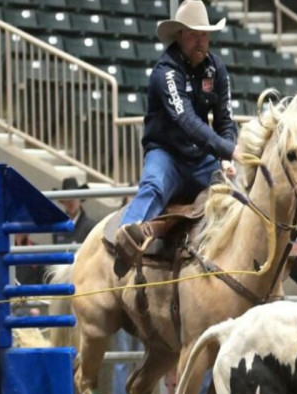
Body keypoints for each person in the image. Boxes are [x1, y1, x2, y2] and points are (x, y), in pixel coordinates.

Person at [115, 0, 238, 263]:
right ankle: (121, 242)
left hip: (200, 159)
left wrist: (227, 156)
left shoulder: (216, 69)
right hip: (166, 154)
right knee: (155, 186)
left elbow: (225, 122)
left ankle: (287, 259)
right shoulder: (166, 71)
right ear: (180, 35)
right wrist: (230, 150)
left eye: (203, 34)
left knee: (239, 194)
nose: (200, 41)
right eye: (193, 34)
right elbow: (187, 122)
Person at [53, 177, 99, 246]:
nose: (70, 202)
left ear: (80, 199)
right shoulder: (58, 228)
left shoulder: (91, 227)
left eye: (74, 197)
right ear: (63, 201)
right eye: (67, 198)